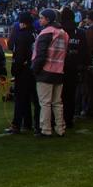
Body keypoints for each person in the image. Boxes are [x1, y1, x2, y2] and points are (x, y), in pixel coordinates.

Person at [32, 8, 69, 138]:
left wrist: (35, 70)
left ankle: (46, 129)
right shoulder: (63, 33)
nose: (39, 20)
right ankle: (60, 128)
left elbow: (41, 55)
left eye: (41, 18)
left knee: (45, 103)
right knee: (57, 102)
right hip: (59, 70)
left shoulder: (45, 33)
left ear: (47, 19)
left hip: (46, 71)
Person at [6, 12, 38, 134]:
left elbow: (18, 56)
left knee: (20, 98)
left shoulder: (22, 35)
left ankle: (17, 124)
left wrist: (15, 70)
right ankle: (30, 123)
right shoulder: (36, 33)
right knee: (32, 98)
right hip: (33, 69)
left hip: (23, 71)